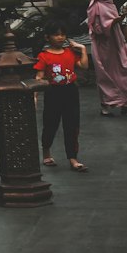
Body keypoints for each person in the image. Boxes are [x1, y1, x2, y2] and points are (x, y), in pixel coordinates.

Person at [34, 23, 89, 172]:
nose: (60, 37)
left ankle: (73, 158)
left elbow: (83, 66)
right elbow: (38, 77)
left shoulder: (70, 52)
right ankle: (46, 152)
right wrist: (35, 96)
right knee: (50, 124)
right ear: (48, 37)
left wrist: (83, 49)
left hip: (70, 92)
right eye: (56, 34)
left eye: (63, 34)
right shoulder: (44, 56)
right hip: (53, 93)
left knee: (72, 125)